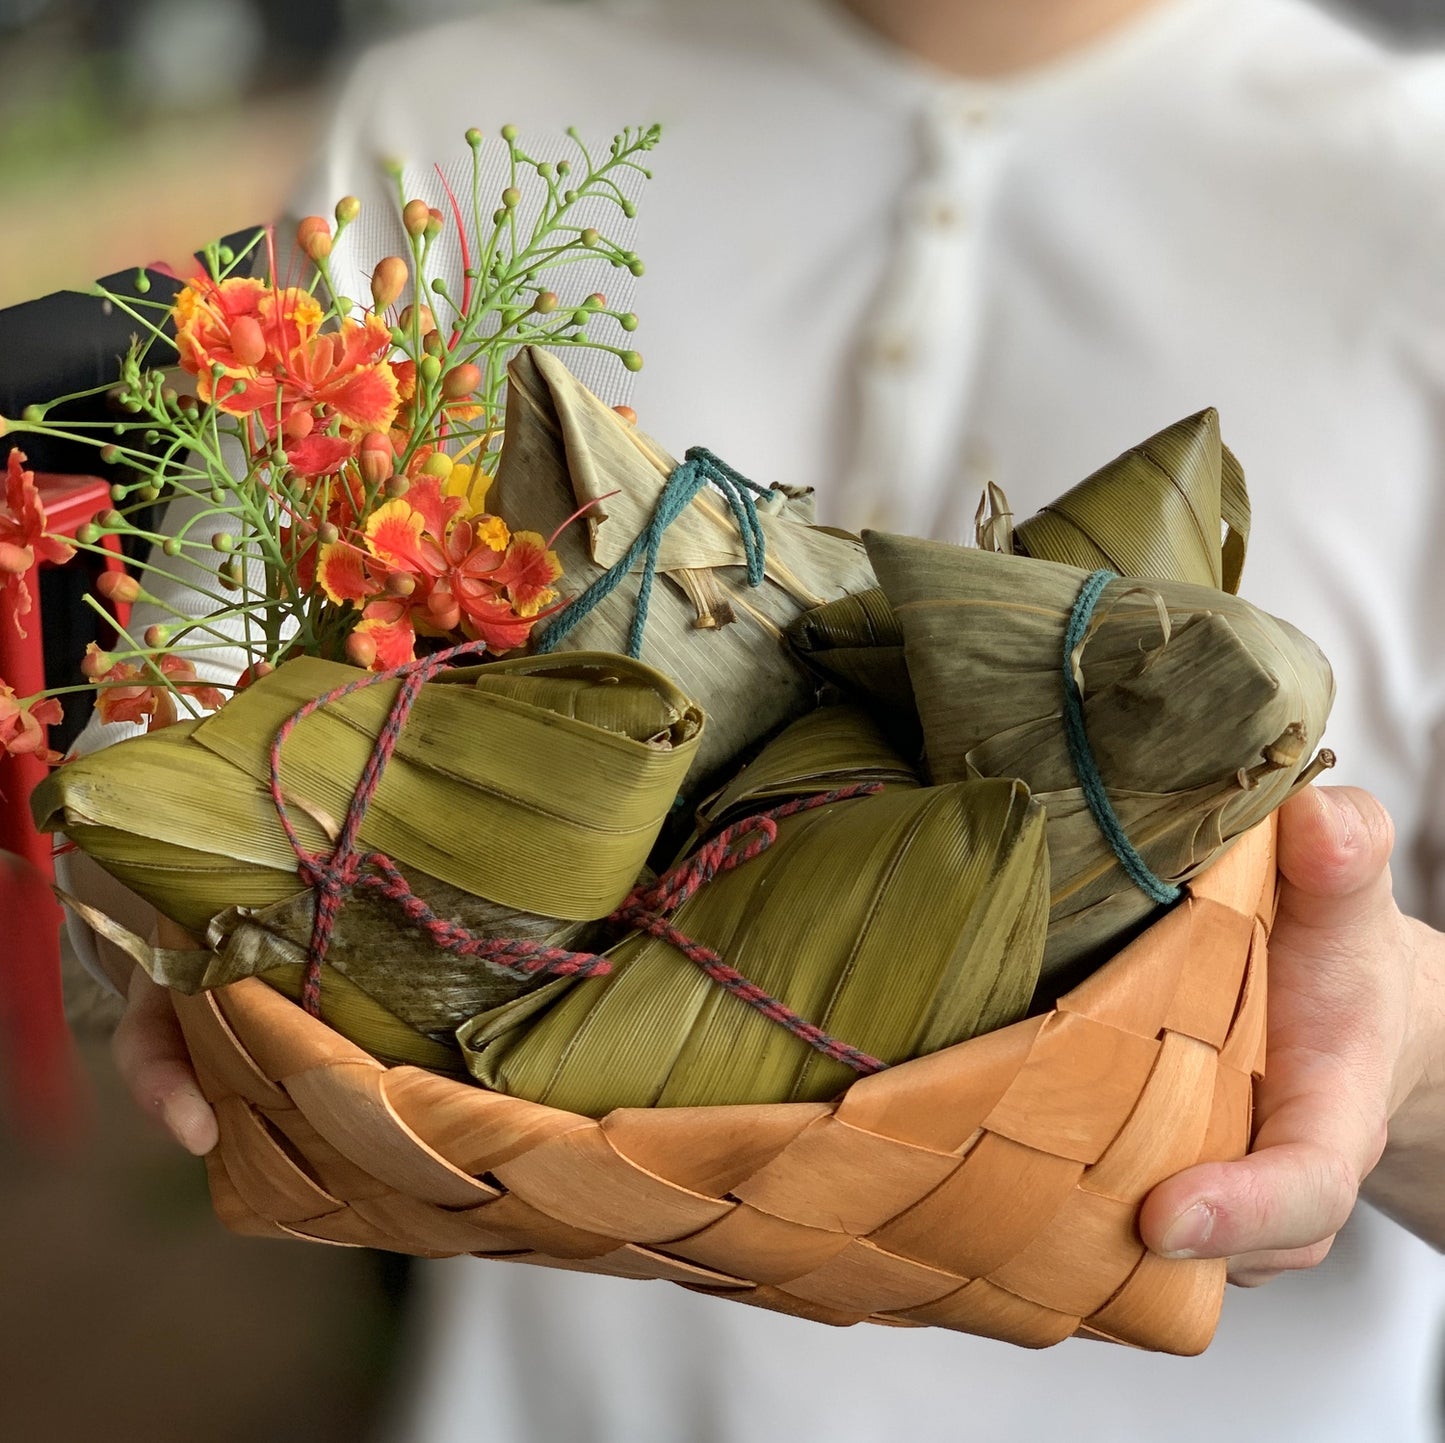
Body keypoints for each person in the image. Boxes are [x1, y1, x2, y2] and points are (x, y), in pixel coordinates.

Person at [90, 0, 1445, 1438]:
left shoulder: (1408, 187)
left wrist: (1404, 1066)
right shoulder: (456, 120)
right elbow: (163, 783)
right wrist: (154, 929)